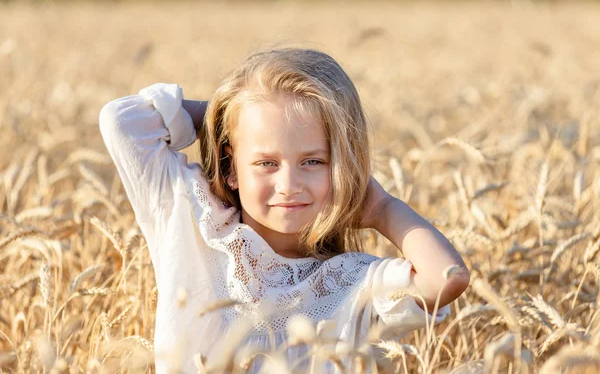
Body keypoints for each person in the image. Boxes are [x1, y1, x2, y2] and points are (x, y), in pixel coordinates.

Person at [98, 47, 470, 373]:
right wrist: (237, 116)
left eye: (312, 161)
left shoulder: (352, 281)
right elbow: (122, 122)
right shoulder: (190, 218)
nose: (289, 184)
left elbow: (447, 278)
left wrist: (383, 208)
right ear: (231, 168)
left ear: (340, 166)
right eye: (266, 163)